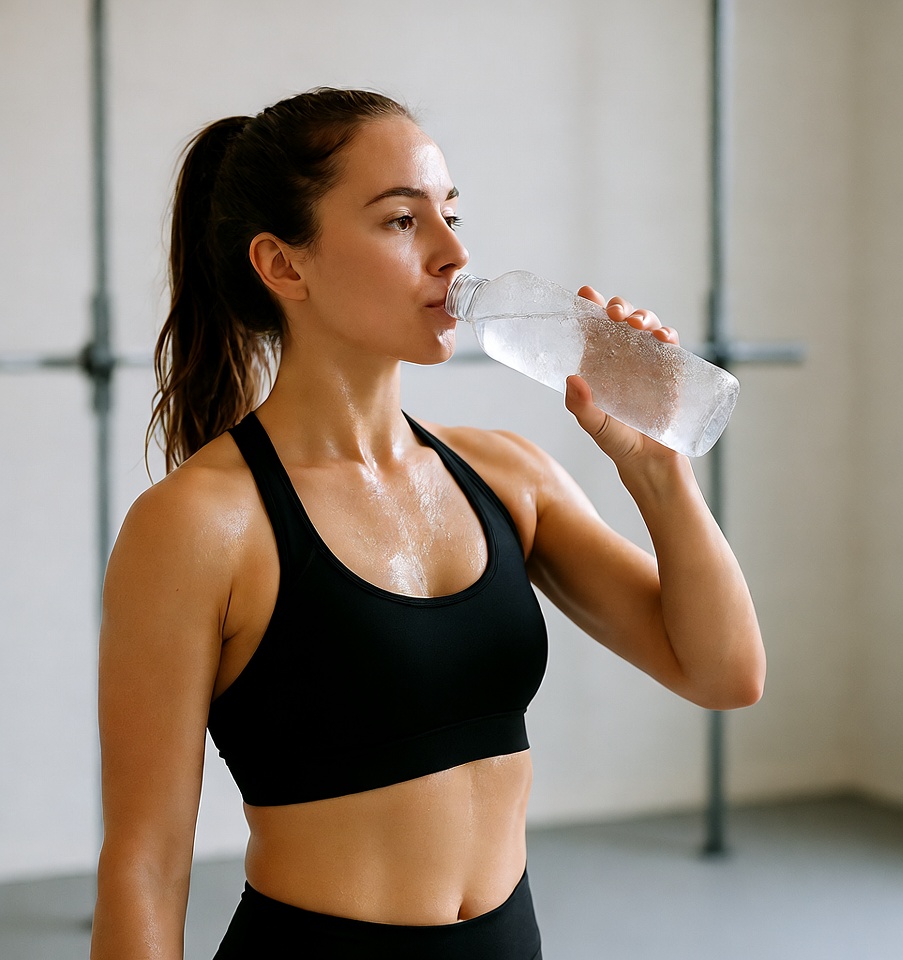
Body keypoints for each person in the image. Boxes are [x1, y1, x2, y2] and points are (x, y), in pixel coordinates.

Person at [90, 87, 765, 960]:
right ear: (283, 266)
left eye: (451, 214)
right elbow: (145, 865)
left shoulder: (508, 475)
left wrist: (657, 471)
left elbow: (725, 673)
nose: (455, 252)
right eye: (402, 222)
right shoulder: (200, 523)